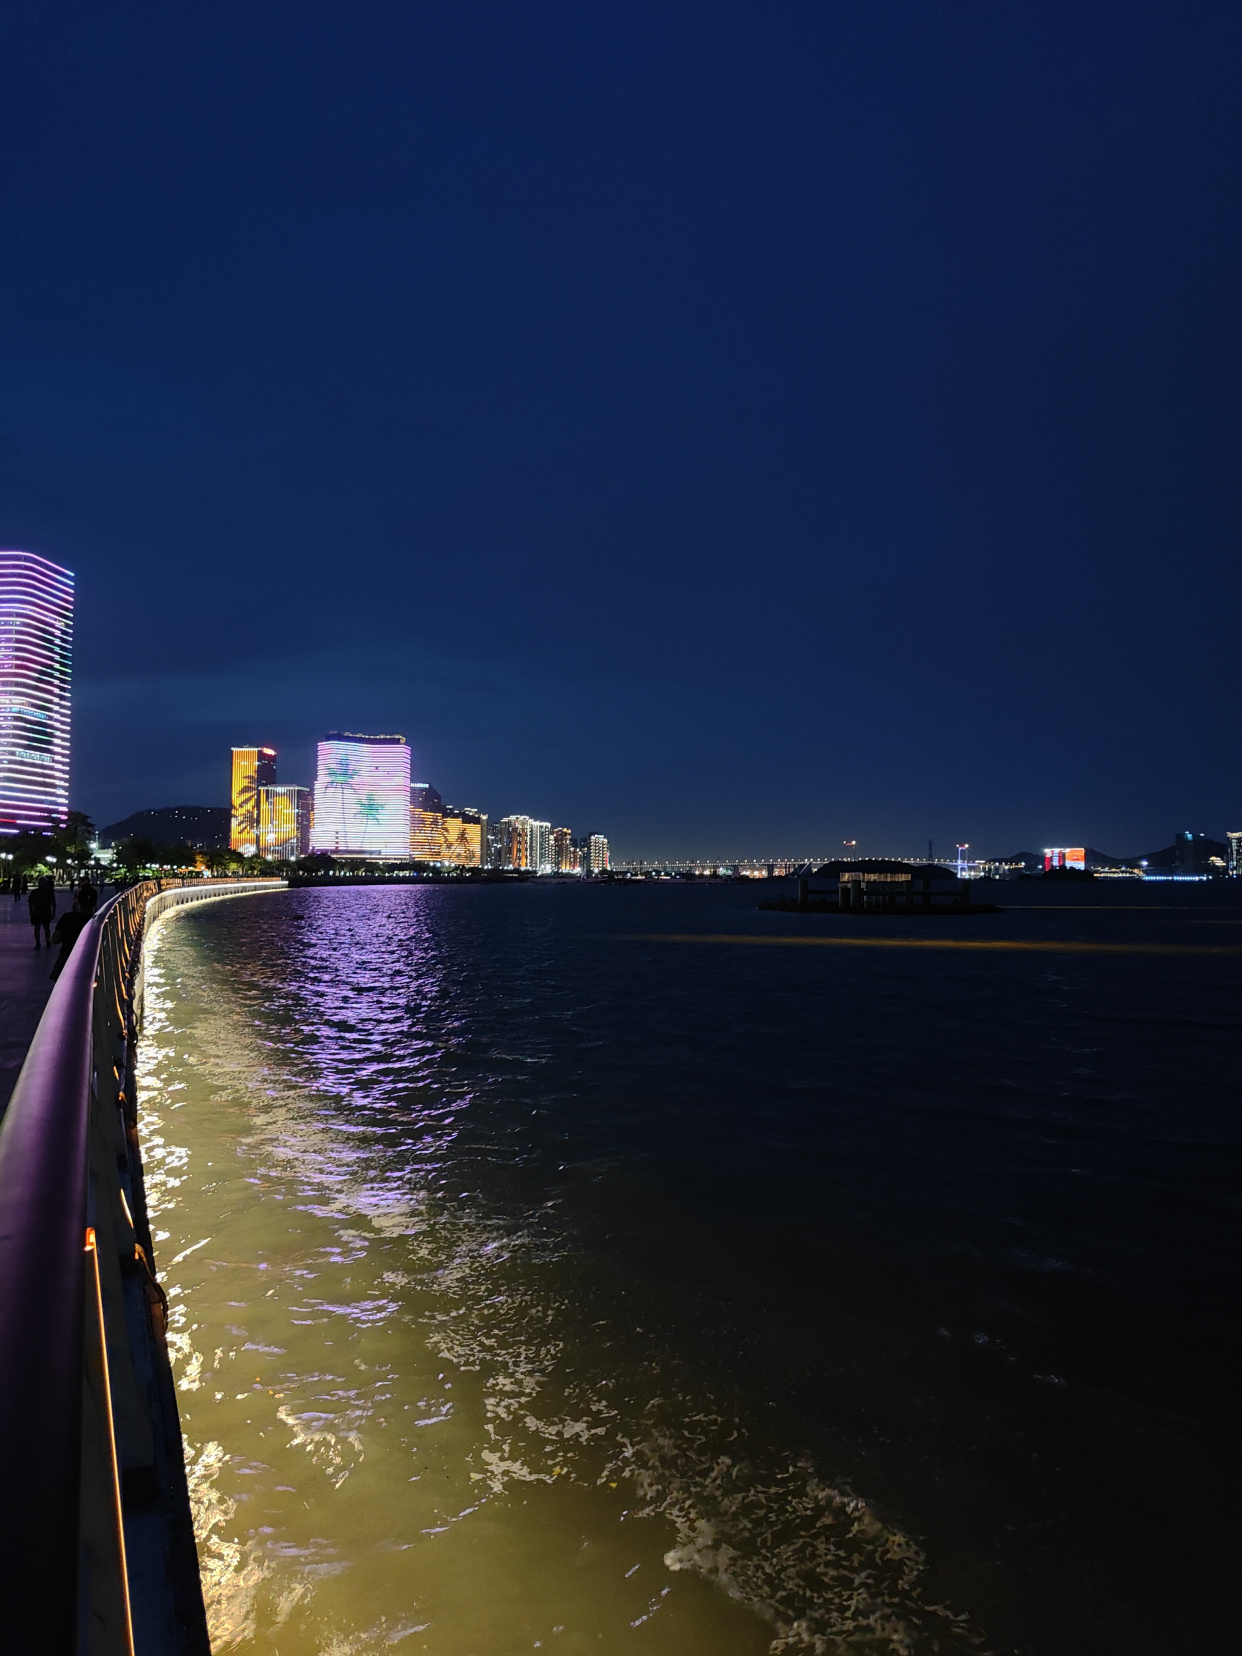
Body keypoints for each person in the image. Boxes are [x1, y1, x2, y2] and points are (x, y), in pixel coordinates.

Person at [48, 894, 91, 982]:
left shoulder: (68, 918)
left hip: (67, 956)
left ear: (77, 902)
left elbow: (54, 940)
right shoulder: (97, 920)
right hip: (89, 961)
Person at [27, 878, 54, 947]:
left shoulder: (35, 892)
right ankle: (47, 941)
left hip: (37, 912)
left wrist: (31, 912)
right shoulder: (49, 892)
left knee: (37, 928)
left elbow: (30, 903)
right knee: (46, 928)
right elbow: (53, 903)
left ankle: (38, 942)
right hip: (46, 911)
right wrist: (53, 912)